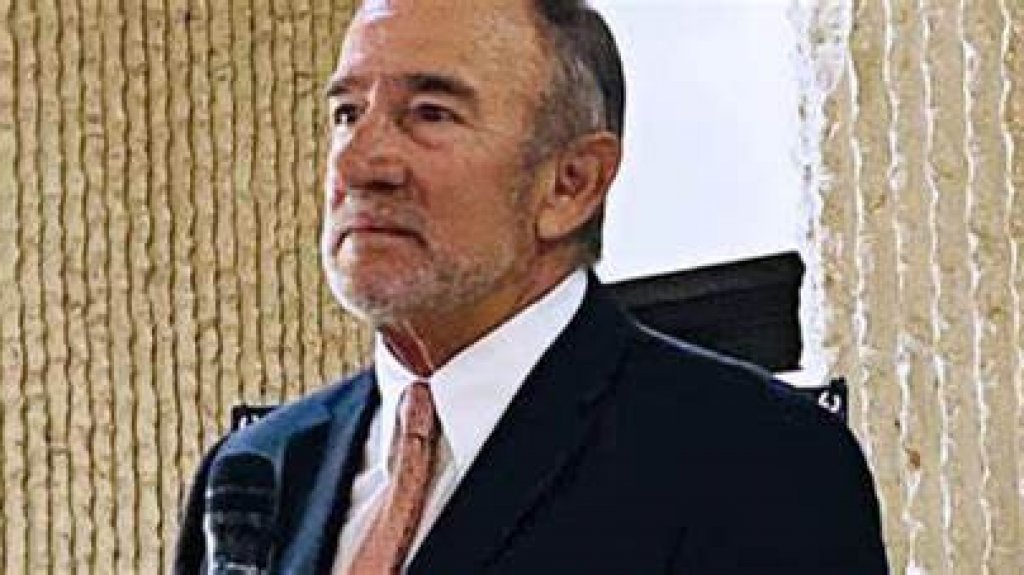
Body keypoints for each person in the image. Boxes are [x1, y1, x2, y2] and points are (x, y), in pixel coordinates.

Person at [174, 0, 888, 573]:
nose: (360, 163)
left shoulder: (755, 462)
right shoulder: (257, 471)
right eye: (346, 113)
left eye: (430, 113)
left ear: (571, 183)